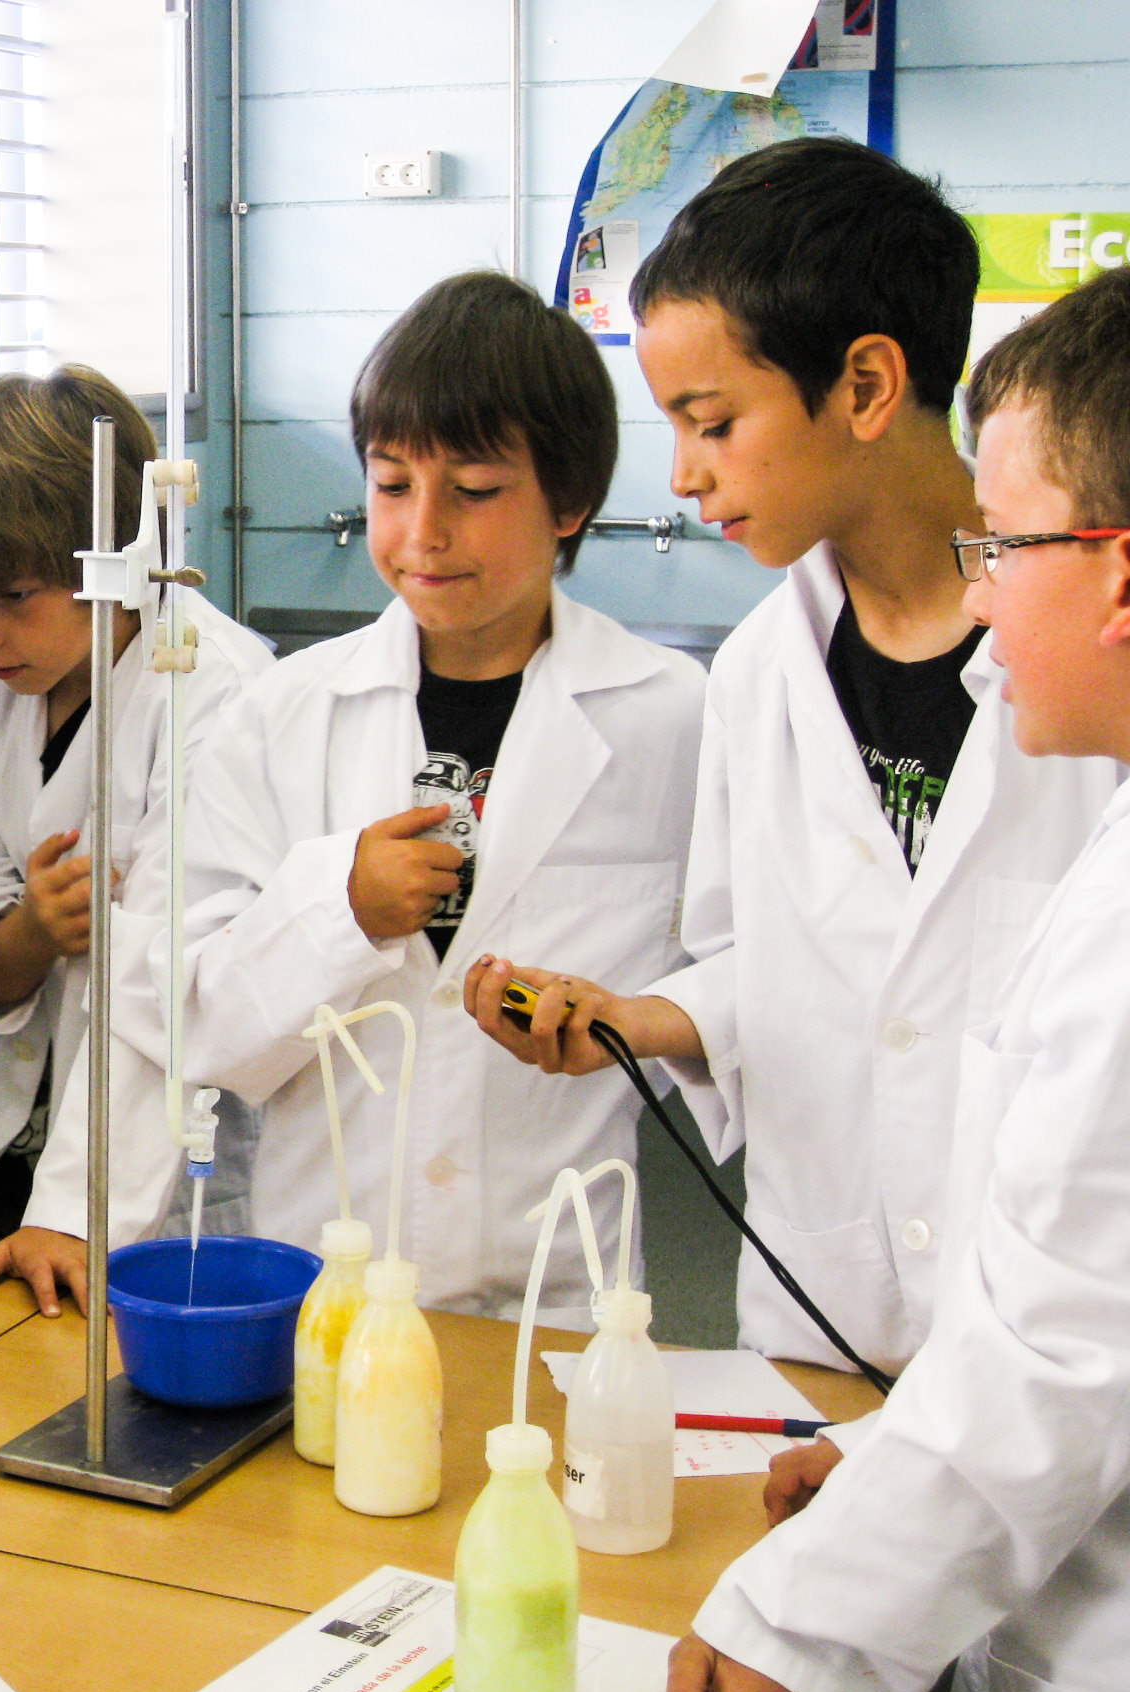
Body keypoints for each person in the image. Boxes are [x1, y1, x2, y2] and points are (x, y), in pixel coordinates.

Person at [466, 139, 1121, 1371]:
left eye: (712, 422)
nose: (683, 475)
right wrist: (643, 1019)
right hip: (821, 1311)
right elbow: (755, 964)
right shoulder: (761, 674)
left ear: (866, 385)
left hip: (1052, 1344)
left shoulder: (1088, 665)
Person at [668, 263, 1130, 1692]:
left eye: (1005, 546)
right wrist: (885, 1464)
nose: (980, 592)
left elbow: (1067, 1353)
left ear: (1119, 576)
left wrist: (793, 1633)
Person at [175, 271, 703, 1320]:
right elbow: (206, 1033)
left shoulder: (672, 717)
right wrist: (340, 911)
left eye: (474, 490)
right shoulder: (279, 718)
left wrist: (631, 1020)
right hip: (328, 1277)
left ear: (569, 502)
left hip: (557, 1287)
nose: (422, 531)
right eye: (390, 484)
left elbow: (743, 991)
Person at [0, 365, 270, 1300]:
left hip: (162, 1167)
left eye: (12, 597)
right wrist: (33, 931)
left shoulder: (215, 693)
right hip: (15, 1141)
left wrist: (75, 1207)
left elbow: (173, 986)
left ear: (123, 560)